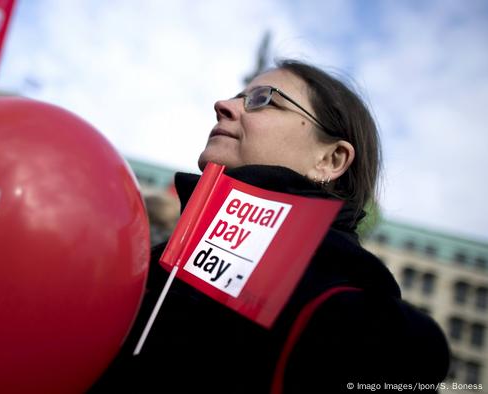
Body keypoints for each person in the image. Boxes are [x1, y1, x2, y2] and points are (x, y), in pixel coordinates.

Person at [89, 59, 449, 393]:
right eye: (237, 96)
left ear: (330, 159)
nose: (223, 105)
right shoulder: (152, 263)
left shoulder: (351, 320)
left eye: (264, 100)